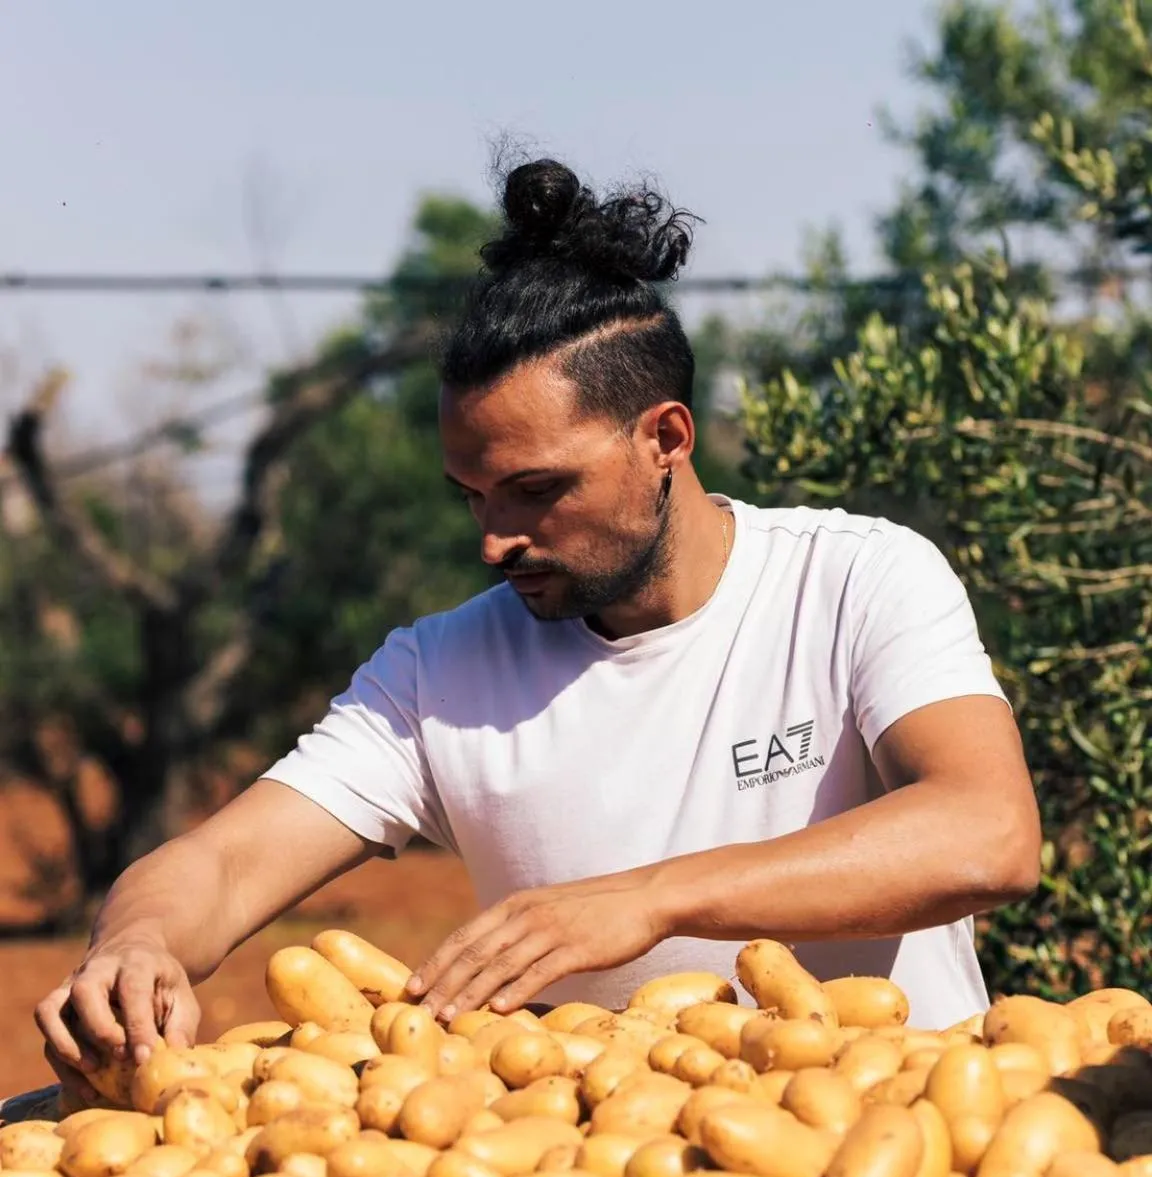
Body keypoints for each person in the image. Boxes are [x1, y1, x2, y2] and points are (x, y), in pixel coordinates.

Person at [35, 157, 1041, 1097]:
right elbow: (221, 862)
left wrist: (644, 901)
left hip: (909, 1144)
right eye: (472, 496)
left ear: (666, 439)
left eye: (536, 489)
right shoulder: (439, 672)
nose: (495, 540)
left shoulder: (856, 578)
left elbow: (987, 832)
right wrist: (137, 943)